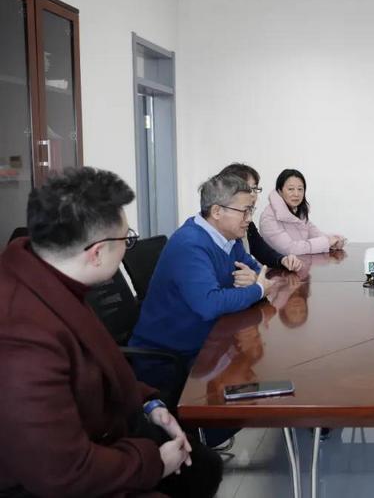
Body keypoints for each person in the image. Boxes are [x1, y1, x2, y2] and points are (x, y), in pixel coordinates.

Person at [0, 167, 222, 497]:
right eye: (126, 239)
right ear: (97, 252)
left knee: (202, 466)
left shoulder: (51, 276)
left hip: (104, 428)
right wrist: (154, 462)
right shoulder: (21, 338)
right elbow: (62, 473)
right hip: (58, 478)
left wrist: (149, 403)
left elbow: (100, 364)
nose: (127, 248)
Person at [130, 173, 272, 357]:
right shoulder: (189, 244)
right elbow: (209, 304)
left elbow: (259, 271)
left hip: (212, 338)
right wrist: (258, 290)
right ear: (217, 212)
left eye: (251, 210)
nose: (249, 218)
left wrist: (254, 280)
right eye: (245, 211)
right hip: (172, 354)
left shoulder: (230, 238)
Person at [218, 163, 302, 272]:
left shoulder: (247, 221)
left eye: (255, 189)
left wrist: (282, 260)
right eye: (248, 189)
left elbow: (260, 249)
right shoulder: (222, 225)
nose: (253, 195)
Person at [259, 168, 346, 255]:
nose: (296, 194)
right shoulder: (268, 218)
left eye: (300, 189)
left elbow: (316, 234)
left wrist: (335, 240)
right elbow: (289, 249)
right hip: (275, 264)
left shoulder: (299, 213)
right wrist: (326, 243)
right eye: (291, 189)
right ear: (280, 191)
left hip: (300, 262)